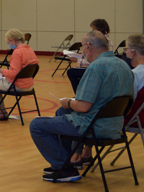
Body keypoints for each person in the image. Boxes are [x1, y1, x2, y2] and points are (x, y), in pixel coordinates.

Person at [29, 30, 134, 183]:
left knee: (37, 125)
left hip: (93, 126)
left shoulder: (96, 68)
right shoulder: (123, 65)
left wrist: (69, 102)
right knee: (62, 111)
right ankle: (65, 162)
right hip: (115, 126)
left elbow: (84, 106)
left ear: (88, 47)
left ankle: (65, 168)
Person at [0, 29, 39, 121]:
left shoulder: (17, 52)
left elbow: (14, 73)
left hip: (17, 85)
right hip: (29, 85)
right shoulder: (30, 50)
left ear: (13, 40)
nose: (9, 44)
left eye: (8, 42)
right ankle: (2, 112)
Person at [67, 19, 114, 93]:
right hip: (102, 68)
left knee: (71, 72)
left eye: (93, 29)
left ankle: (79, 95)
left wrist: (77, 60)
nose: (92, 31)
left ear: (99, 29)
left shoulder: (102, 41)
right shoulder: (107, 39)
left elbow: (95, 61)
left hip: (99, 70)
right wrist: (81, 56)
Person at [122, 35, 144, 127]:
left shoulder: (135, 74)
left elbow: (127, 105)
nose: (125, 53)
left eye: (125, 49)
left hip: (137, 119)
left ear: (132, 52)